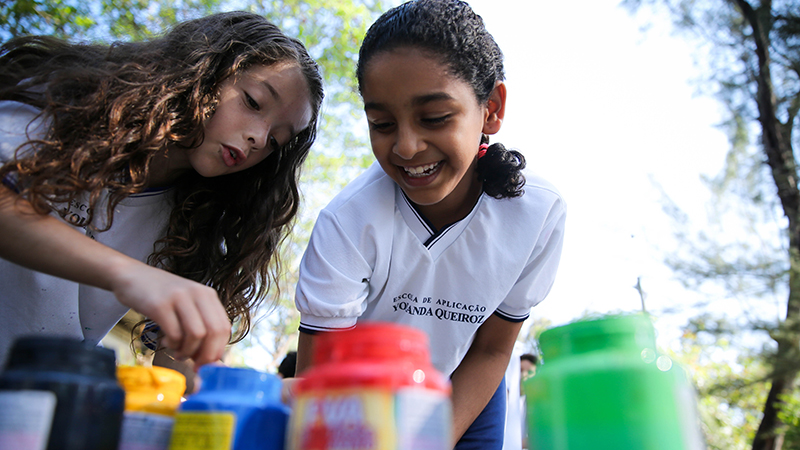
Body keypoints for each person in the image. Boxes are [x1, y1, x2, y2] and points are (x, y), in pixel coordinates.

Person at [292, 1, 566, 448]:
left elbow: (493, 349)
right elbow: (319, 387)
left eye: (434, 118)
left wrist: (433, 440)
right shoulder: (348, 223)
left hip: (468, 386)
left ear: (491, 109)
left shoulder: (538, 214)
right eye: (381, 123)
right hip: (363, 403)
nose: (406, 146)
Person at [0, 11, 324, 371]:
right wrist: (130, 276)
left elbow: (175, 371)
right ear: (205, 70)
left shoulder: (194, 228)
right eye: (252, 102)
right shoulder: (62, 106)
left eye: (276, 141)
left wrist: (208, 378)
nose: (259, 138)